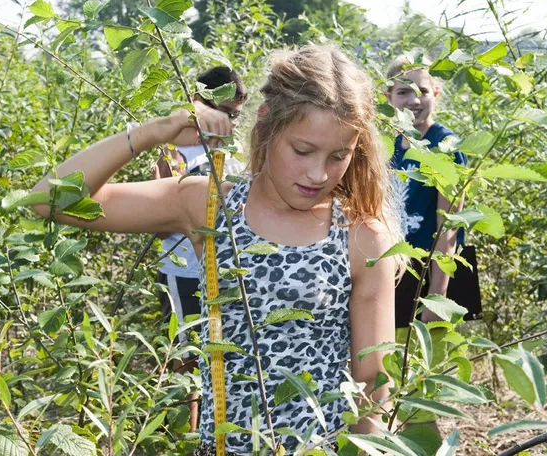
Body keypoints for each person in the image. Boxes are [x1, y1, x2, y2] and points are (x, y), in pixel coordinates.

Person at [29, 46, 400, 454]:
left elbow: (374, 382)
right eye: (302, 150)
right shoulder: (211, 204)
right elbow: (50, 200)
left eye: (339, 156)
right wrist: (155, 132)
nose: (318, 173)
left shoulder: (360, 236)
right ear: (266, 124)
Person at [152, 66, 248, 433]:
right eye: (221, 112)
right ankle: (185, 438)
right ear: (198, 104)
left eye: (235, 115)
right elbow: (161, 223)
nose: (228, 123)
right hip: (185, 273)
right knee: (186, 360)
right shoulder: (176, 151)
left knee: (223, 359)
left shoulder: (240, 153)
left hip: (228, 275)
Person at [386, 53, 468, 428]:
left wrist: (436, 297)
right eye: (403, 92)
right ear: (389, 97)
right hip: (386, 267)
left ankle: (423, 444)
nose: (413, 100)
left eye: (421, 90)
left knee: (418, 384)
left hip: (426, 271)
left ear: (436, 91)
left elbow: (446, 227)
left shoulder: (445, 145)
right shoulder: (385, 144)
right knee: (383, 375)